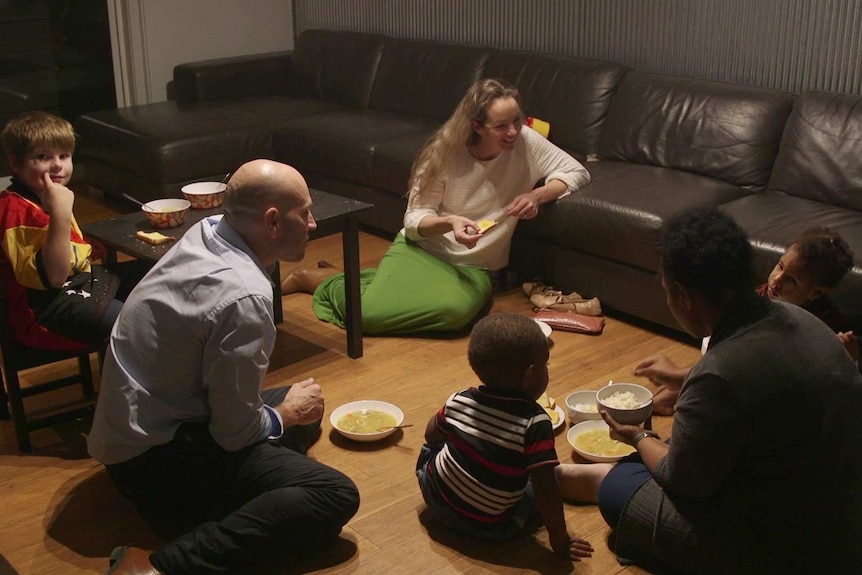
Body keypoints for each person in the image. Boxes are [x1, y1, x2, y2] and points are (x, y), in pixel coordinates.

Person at [88, 160, 360, 575]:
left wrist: (283, 416)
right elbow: (232, 433)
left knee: (305, 415)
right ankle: (161, 566)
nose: (313, 223)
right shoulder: (243, 295)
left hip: (134, 434)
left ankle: (236, 498)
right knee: (333, 493)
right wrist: (282, 415)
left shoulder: (208, 230)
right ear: (271, 222)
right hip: (153, 463)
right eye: (303, 212)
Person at [597, 208, 862, 574]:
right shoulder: (806, 321)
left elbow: (684, 480)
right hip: (844, 517)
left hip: (793, 550)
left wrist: (639, 434)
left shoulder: (718, 375)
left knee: (616, 486)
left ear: (682, 295)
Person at [281, 78, 590, 335]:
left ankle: (362, 282)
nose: (512, 132)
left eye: (516, 121)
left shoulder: (525, 141)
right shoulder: (443, 154)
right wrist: (450, 222)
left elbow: (577, 171)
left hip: (474, 265)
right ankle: (318, 279)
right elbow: (415, 219)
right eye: (501, 126)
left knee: (455, 315)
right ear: (477, 126)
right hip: (424, 249)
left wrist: (539, 195)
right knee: (367, 317)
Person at [416, 312, 611, 562]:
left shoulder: (459, 398)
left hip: (433, 497)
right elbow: (545, 490)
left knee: (437, 443)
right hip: (489, 527)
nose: (547, 371)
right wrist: (560, 540)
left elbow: (430, 434)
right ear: (530, 376)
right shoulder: (535, 422)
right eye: (546, 365)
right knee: (535, 486)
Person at [636, 225, 858, 415]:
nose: (776, 280)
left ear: (816, 293)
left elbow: (758, 372)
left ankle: (682, 389)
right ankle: (681, 391)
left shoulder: (825, 327)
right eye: (780, 266)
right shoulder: (764, 296)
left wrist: (847, 357)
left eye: (791, 280)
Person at [0, 111, 147, 351]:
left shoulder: (45, 194)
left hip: (78, 283)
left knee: (159, 277)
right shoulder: (14, 210)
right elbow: (54, 277)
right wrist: (60, 213)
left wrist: (82, 247)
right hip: (43, 309)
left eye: (64, 155)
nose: (57, 164)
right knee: (134, 324)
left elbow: (55, 246)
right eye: (42, 156)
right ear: (16, 164)